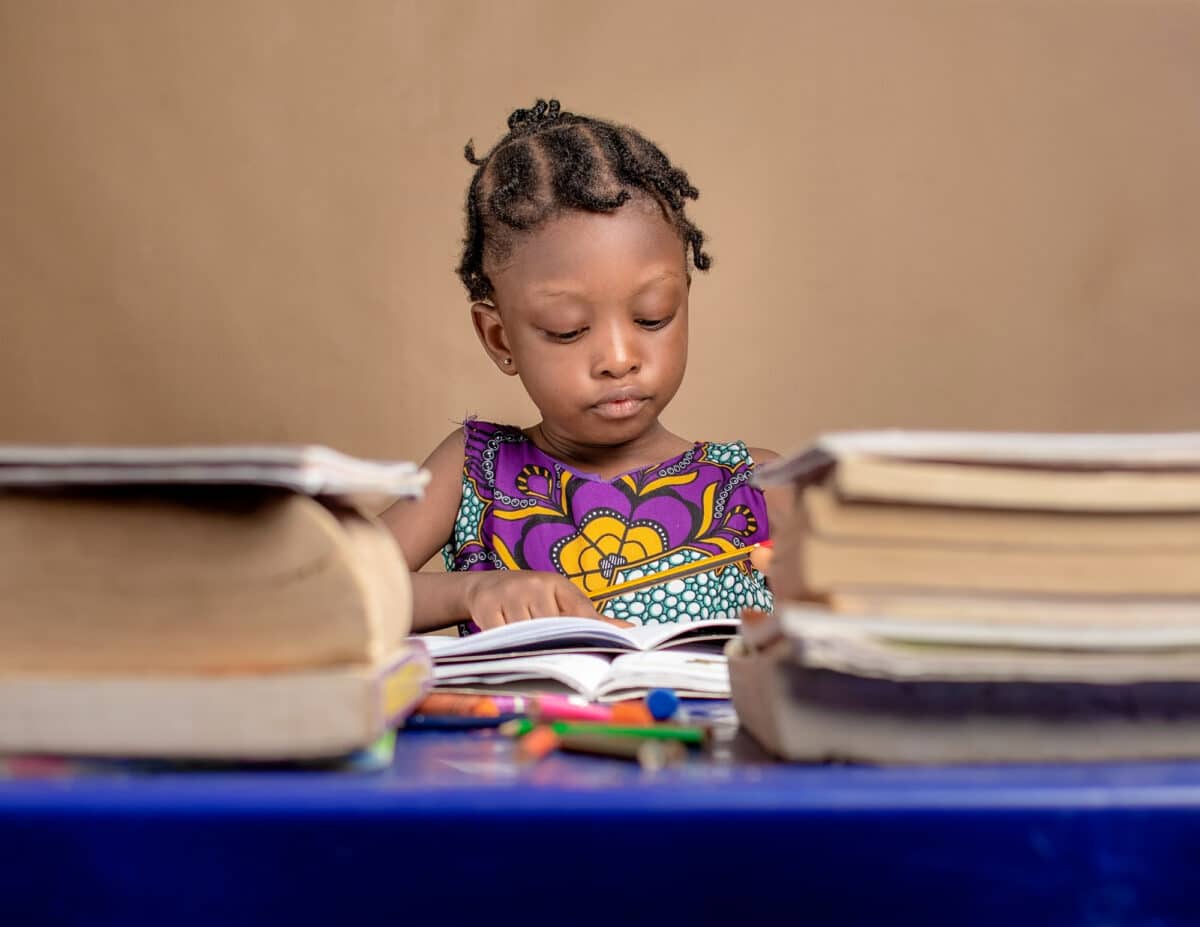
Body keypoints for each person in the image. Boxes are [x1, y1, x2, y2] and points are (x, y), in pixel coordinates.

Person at [384, 99, 779, 633]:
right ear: (499, 338)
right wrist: (475, 589)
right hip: (527, 719)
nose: (618, 360)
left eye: (652, 317)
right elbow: (340, 588)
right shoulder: (473, 470)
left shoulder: (753, 482)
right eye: (568, 330)